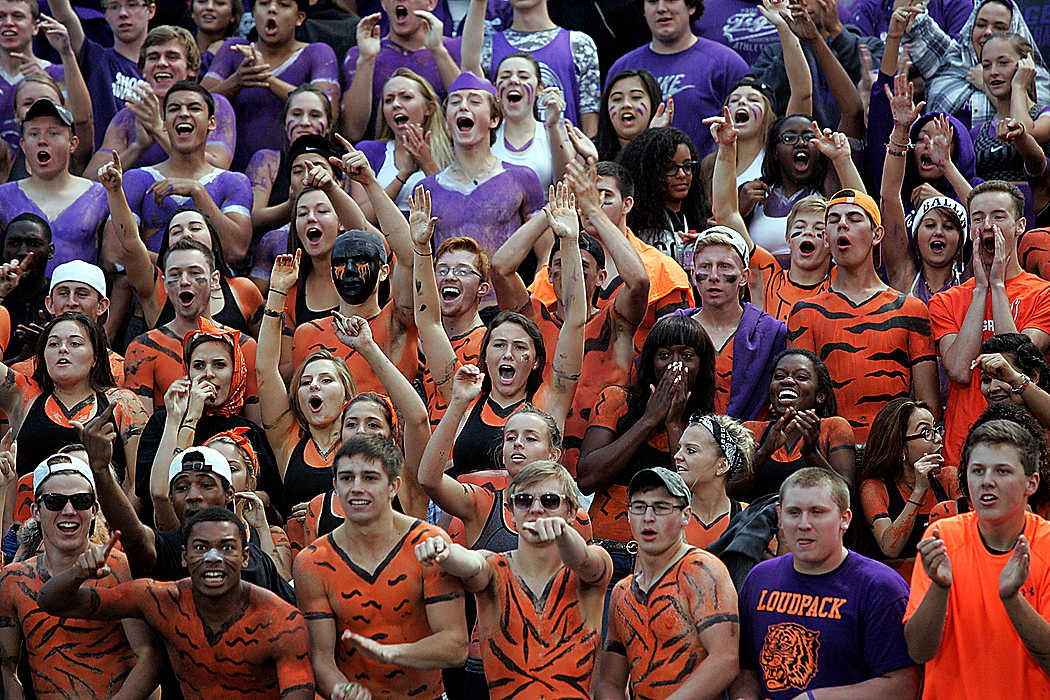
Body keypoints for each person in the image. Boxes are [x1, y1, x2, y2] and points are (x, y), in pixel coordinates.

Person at [37, 506, 315, 698]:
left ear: (245, 558)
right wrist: (77, 573)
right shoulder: (160, 600)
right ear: (184, 557)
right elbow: (52, 602)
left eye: (227, 547)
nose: (213, 558)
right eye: (201, 547)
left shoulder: (282, 623)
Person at [415, 182, 585, 478]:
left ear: (535, 361)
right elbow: (428, 322)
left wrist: (569, 242)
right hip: (461, 521)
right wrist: (420, 249)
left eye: (520, 347)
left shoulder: (548, 401)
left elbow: (574, 320)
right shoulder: (465, 396)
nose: (508, 352)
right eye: (499, 345)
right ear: (485, 354)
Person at [490, 171, 649, 474]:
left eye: (582, 266)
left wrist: (592, 211)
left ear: (602, 277)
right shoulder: (533, 317)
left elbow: (639, 281)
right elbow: (500, 267)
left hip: (604, 463)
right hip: (540, 463)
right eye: (562, 265)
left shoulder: (615, 322)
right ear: (549, 274)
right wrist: (550, 213)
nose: (572, 273)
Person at [415, 460, 611, 699]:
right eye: (523, 501)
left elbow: (586, 563)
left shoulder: (591, 567)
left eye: (549, 501)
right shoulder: (496, 568)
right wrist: (445, 552)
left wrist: (562, 533)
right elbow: (473, 563)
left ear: (571, 512)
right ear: (511, 512)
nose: (536, 509)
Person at [293, 434, 468, 700]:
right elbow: (321, 659)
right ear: (335, 485)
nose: (356, 488)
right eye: (347, 478)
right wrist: (343, 691)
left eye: (370, 477)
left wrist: (391, 653)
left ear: (393, 486)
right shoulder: (312, 562)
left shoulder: (427, 544)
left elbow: (455, 646)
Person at [733, 467, 921, 699]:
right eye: (793, 513)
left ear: (845, 519)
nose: (804, 524)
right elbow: (746, 668)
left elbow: (904, 685)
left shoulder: (880, 588)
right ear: (779, 517)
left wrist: (815, 698)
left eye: (817, 512)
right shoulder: (759, 579)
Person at [905, 419, 1050, 698]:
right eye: (978, 471)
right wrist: (939, 587)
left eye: (1002, 471)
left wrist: (1012, 599)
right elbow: (919, 651)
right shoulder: (941, 537)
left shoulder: (1046, 544)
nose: (986, 482)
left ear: (1031, 483)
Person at [0, 453, 162, 698]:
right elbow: (7, 667)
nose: (69, 510)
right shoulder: (14, 580)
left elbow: (148, 655)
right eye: (55, 501)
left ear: (95, 509)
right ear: (35, 510)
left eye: (81, 501)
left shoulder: (119, 569)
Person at [788, 188, 940, 443]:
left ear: (877, 234)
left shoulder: (911, 309)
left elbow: (928, 407)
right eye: (834, 221)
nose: (842, 226)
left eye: (854, 219)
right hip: (831, 453)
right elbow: (803, 403)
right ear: (826, 238)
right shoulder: (806, 312)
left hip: (892, 452)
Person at [578, 315, 715, 578]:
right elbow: (587, 477)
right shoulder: (616, 400)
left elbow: (694, 495)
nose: (675, 366)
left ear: (702, 365)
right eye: (664, 355)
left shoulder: (706, 425)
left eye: (687, 356)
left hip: (669, 562)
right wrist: (649, 420)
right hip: (608, 552)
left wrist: (674, 424)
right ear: (650, 363)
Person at [928, 180, 1050, 464]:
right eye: (978, 218)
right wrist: (980, 289)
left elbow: (1016, 363)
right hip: (962, 449)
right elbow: (958, 369)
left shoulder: (1043, 293)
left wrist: (997, 284)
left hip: (1023, 448)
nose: (987, 226)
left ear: (1020, 225)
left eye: (998, 216)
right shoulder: (946, 300)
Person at [596, 467, 740, 699]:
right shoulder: (623, 592)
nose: (648, 517)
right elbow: (610, 682)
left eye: (662, 508)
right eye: (639, 507)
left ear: (686, 515)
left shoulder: (701, 571)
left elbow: (725, 660)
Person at [288, 141, 418, 392]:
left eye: (360, 262)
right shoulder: (307, 333)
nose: (349, 271)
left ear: (383, 271)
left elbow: (407, 256)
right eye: (339, 262)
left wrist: (368, 182)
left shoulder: (398, 320)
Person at [527, 160, 696, 350]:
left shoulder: (663, 269)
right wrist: (557, 204)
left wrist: (593, 209)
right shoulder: (559, 264)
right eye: (585, 198)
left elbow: (677, 346)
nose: (592, 204)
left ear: (627, 205)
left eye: (605, 197)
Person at [258, 252, 356, 527]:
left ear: (347, 394)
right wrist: (277, 292)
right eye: (305, 382)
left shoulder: (363, 442)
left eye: (326, 380)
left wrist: (324, 508)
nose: (314, 384)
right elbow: (266, 368)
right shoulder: (286, 441)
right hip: (295, 557)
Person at [108, 80, 252, 264]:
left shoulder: (234, 182)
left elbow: (235, 251)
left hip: (213, 290)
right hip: (151, 289)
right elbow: (113, 253)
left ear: (212, 123)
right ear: (165, 123)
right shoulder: (136, 179)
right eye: (175, 108)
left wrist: (197, 192)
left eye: (194, 108)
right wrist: (176, 268)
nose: (184, 114)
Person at [416, 70, 544, 269]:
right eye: (456, 102)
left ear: (494, 120)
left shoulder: (521, 179)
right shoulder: (427, 189)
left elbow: (545, 257)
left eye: (475, 101)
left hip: (507, 299)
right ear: (448, 122)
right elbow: (414, 259)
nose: (463, 107)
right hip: (447, 298)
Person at [122, 239, 261, 422]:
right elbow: (139, 435)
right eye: (175, 274)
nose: (184, 281)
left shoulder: (244, 347)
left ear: (214, 280)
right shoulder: (144, 349)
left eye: (195, 273)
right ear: (164, 283)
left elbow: (256, 427)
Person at [0, 313, 145, 487]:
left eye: (75, 343)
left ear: (96, 357)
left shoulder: (123, 403)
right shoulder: (24, 397)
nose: (62, 349)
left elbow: (138, 486)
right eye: (53, 344)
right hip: (30, 512)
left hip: (100, 513)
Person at [201, 0, 339, 171]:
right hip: (232, 171)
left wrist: (265, 78)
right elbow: (197, 102)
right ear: (253, 12)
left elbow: (328, 110)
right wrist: (236, 81)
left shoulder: (317, 53)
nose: (272, 9)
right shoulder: (233, 50)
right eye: (264, 3)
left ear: (300, 18)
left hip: (295, 172)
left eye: (284, 5)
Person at [85, 25, 237, 176]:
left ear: (191, 69)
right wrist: (137, 148)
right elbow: (90, 180)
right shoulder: (129, 116)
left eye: (172, 57)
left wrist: (158, 129)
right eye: (153, 57)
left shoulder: (214, 105)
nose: (162, 63)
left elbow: (218, 168)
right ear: (143, 70)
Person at [605, 0, 747, 157]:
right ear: (643, 10)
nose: (661, 8)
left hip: (709, 175)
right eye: (652, 1)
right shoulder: (623, 67)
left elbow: (748, 132)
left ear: (691, 6)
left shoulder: (726, 63)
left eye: (671, 0)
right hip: (639, 175)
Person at [678, 226, 787, 419]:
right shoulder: (673, 329)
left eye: (724, 267)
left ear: (744, 276)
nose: (713, 276)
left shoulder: (771, 333)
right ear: (694, 276)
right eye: (705, 267)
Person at [881, 71, 972, 301]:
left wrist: (947, 165)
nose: (938, 232)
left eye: (950, 227)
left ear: (963, 241)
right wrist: (901, 130)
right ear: (915, 234)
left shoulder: (972, 280)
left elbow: (983, 217)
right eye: (929, 225)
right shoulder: (904, 274)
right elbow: (890, 195)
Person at [0, 98, 107, 276]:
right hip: (17, 299)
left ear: (73, 143)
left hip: (75, 299)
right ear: (23, 145)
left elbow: (117, 263)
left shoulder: (99, 195)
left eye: (53, 133)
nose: (42, 141)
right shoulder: (3, 197)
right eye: (34, 134)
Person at [903, 0, 1050, 127]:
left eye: (999, 27)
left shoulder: (1032, 75)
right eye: (981, 24)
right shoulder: (950, 58)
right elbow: (916, 23)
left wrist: (985, 85)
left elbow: (1029, 126)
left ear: (1015, 32)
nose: (988, 32)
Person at [859, 398, 961, 579]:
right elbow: (890, 548)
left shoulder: (949, 478)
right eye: (926, 432)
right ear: (900, 448)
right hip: (899, 586)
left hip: (950, 579)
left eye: (936, 430)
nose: (938, 438)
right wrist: (919, 491)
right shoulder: (875, 487)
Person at [461, 0, 599, 133]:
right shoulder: (488, 48)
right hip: (505, 152)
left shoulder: (578, 44)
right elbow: (470, 77)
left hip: (565, 152)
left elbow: (590, 119)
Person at [736, 349, 856, 499]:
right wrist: (764, 452)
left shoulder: (833, 428)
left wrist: (812, 454)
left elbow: (848, 494)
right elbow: (733, 493)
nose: (787, 381)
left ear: (820, 396)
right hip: (760, 520)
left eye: (801, 377)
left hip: (812, 520)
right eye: (779, 376)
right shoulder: (752, 430)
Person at [340, 2, 461, 142]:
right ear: (384, 4)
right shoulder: (361, 54)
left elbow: (471, 111)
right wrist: (366, 59)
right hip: (382, 158)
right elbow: (352, 132)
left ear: (431, 2)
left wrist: (438, 50)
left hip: (444, 156)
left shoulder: (454, 49)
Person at [47, 0, 153, 148]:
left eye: (132, 4)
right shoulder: (96, 58)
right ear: (105, 14)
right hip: (102, 163)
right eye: (114, 6)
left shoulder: (164, 68)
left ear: (151, 10)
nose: (123, 13)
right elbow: (65, 17)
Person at [354, 68, 452, 215]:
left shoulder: (452, 152)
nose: (396, 104)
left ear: (429, 108)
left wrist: (427, 164)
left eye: (406, 97)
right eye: (389, 100)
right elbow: (361, 219)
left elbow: (453, 210)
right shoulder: (369, 151)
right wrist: (403, 174)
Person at [9, 260, 124, 383]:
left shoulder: (122, 370)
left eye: (82, 294)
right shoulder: (23, 371)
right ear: (50, 304)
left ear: (101, 306)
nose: (71, 302)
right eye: (63, 293)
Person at [247, 87, 334, 234]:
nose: (305, 122)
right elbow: (252, 220)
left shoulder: (338, 164)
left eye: (315, 115)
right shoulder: (268, 160)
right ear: (284, 122)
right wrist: (291, 203)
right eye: (297, 114)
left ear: (329, 126)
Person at [675, 415, 759, 549]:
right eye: (679, 448)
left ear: (722, 465)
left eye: (691, 450)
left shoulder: (750, 519)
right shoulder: (667, 514)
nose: (677, 456)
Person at [0, 212, 50, 361]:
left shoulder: (63, 297)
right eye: (14, 243)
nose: (22, 252)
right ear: (3, 249)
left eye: (34, 244)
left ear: (51, 251)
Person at [593, 69, 666, 162]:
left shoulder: (671, 152)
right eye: (617, 99)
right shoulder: (592, 153)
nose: (626, 104)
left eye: (636, 97)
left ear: (653, 103)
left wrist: (653, 137)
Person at [191, 0, 243, 73]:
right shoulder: (176, 46)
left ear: (233, 15)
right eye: (202, 1)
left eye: (220, 3)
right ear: (192, 12)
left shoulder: (240, 52)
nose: (209, 7)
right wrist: (209, 56)